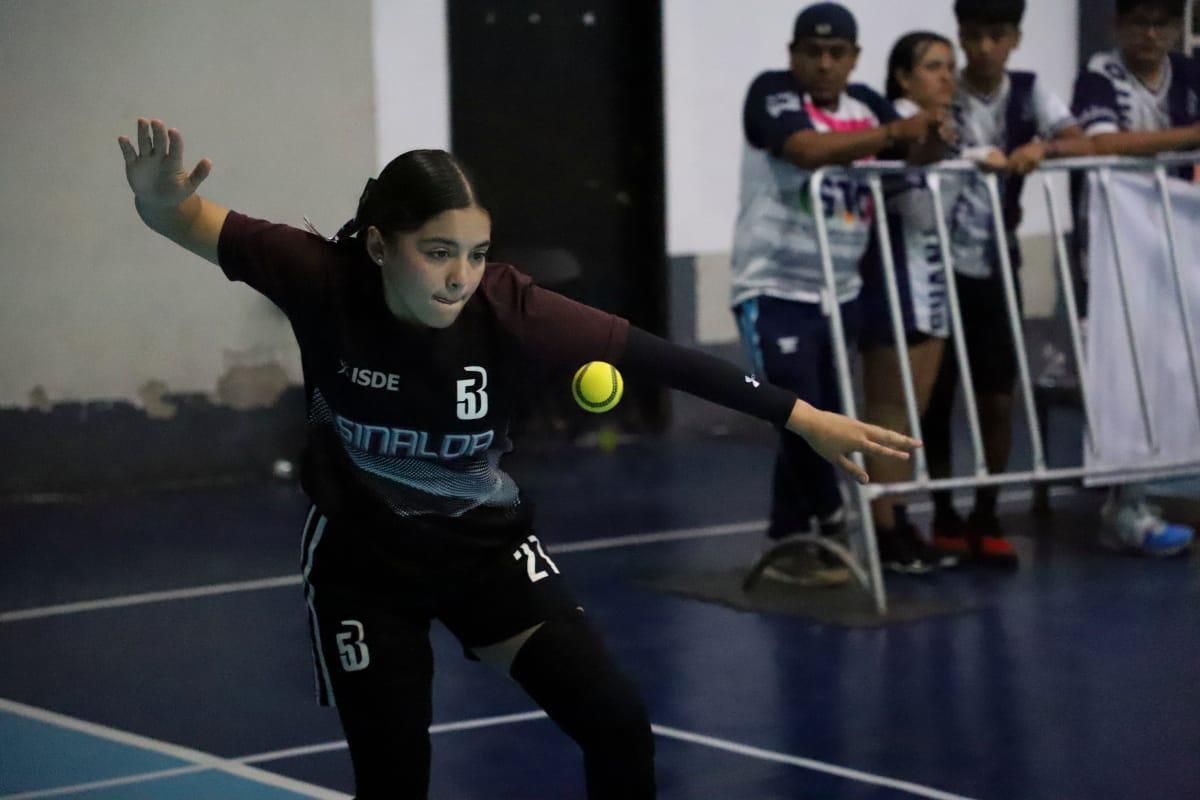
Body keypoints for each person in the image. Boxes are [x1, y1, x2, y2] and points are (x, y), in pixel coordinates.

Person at [118, 118, 920, 798]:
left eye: (476, 253)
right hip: (363, 565)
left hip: (485, 550)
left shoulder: (513, 308)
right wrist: (158, 201)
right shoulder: (318, 277)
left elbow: (662, 358)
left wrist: (803, 417)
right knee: (394, 778)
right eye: (438, 252)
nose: (460, 278)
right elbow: (184, 217)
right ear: (379, 245)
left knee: (616, 724)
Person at [731, 2, 941, 585]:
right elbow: (804, 150)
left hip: (840, 290)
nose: (824, 64)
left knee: (815, 410)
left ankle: (788, 539)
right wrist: (897, 131)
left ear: (854, 59)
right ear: (793, 55)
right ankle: (830, 516)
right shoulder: (772, 94)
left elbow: (914, 155)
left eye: (837, 53)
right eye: (813, 52)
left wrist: (934, 136)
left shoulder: (866, 105)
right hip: (775, 287)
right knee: (797, 409)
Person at [921, 0, 1093, 568]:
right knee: (937, 394)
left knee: (997, 396)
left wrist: (1044, 147)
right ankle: (942, 514)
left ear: (1015, 39)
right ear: (960, 36)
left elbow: (1080, 139)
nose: (984, 48)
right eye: (974, 36)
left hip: (996, 262)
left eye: (997, 36)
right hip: (934, 264)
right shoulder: (941, 86)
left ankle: (987, 512)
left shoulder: (1028, 91)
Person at [1070, 0, 1196, 557]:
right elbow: (1102, 143)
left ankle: (1157, 489)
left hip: (1178, 243)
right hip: (1115, 243)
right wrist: (1191, 136)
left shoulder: (1188, 73)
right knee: (1127, 368)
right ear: (1118, 26)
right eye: (1139, 22)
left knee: (1177, 365)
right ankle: (1125, 503)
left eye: (1161, 23)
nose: (1150, 33)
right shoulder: (1099, 75)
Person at [859, 31, 963, 574]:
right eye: (933, 66)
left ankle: (900, 519)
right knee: (888, 413)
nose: (946, 77)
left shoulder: (948, 125)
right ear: (903, 77)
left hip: (933, 280)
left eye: (950, 67)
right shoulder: (892, 126)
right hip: (892, 279)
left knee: (911, 417)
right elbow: (913, 198)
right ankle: (882, 529)